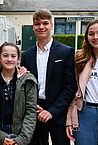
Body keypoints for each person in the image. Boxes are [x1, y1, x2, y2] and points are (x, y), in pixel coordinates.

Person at [21, 8, 77, 145]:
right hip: (34, 111)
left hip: (57, 111)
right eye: (37, 23)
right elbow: (24, 85)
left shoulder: (66, 52)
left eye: (45, 23)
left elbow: (70, 86)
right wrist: (33, 106)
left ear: (51, 25)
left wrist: (52, 111)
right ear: (33, 27)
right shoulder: (26, 55)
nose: (41, 27)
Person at [0, 42, 37, 145]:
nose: (9, 59)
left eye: (13, 56)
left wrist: (21, 139)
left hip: (20, 135)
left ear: (18, 59)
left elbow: (31, 112)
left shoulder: (27, 81)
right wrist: (0, 137)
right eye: (5, 55)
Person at [66, 19, 98, 145]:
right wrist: (69, 120)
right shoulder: (79, 59)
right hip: (85, 114)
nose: (95, 37)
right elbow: (73, 92)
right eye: (91, 34)